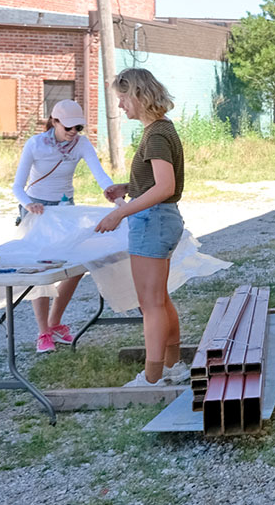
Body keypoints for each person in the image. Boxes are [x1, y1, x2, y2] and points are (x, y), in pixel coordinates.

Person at [92, 68, 188, 387]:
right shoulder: (159, 129)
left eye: (122, 97)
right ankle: (172, 367)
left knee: (150, 304)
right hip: (160, 218)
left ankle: (152, 378)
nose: (120, 105)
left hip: (154, 220)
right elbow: (155, 183)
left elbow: (164, 186)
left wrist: (119, 214)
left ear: (138, 95)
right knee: (159, 299)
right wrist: (128, 187)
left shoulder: (156, 134)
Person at [12, 99, 115, 352]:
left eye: (78, 127)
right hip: (38, 210)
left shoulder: (81, 144)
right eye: (68, 127)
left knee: (76, 266)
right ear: (54, 121)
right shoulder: (35, 144)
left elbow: (100, 174)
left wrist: (115, 196)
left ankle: (55, 322)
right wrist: (28, 205)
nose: (73, 132)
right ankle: (43, 332)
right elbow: (17, 186)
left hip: (65, 210)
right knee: (42, 269)